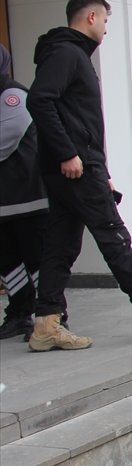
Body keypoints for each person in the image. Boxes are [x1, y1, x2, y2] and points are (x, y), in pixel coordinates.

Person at [26, 0, 132, 351]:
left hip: (77, 167)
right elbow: (39, 99)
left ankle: (46, 324)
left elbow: (79, 119)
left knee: (60, 244)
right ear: (91, 17)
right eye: (105, 19)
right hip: (74, 167)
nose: (106, 28)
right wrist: (69, 154)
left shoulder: (69, 53)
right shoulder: (67, 53)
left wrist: (100, 168)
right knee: (115, 239)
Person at [0, 44, 46, 341]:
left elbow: (7, 137)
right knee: (7, 261)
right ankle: (19, 314)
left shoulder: (11, 95)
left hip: (26, 196)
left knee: (37, 260)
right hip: (4, 201)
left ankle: (50, 317)